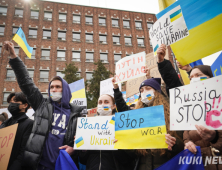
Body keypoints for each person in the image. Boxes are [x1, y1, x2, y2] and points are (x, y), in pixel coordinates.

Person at [3, 41, 84, 170]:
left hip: (62, 166)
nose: (54, 89)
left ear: (66, 90)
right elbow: (26, 83)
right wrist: (14, 57)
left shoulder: (78, 114)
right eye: (51, 87)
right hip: (38, 165)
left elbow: (83, 141)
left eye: (58, 87)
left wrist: (75, 147)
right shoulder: (42, 105)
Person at [157, 44, 222, 170]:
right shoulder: (188, 105)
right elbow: (173, 84)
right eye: (191, 77)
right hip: (199, 164)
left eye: (198, 76)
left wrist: (215, 138)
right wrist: (187, 144)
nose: (194, 79)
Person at [112, 77, 184, 170]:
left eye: (148, 88)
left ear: (157, 92)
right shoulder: (138, 117)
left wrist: (175, 144)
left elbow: (183, 144)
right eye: (141, 90)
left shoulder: (171, 115)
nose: (144, 92)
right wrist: (124, 144)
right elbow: (136, 152)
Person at [79, 94, 137, 170]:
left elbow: (127, 160)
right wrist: (82, 146)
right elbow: (83, 160)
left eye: (106, 102)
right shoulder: (89, 126)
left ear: (114, 106)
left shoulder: (121, 125)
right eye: (100, 102)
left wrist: (119, 147)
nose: (102, 105)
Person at [0, 92, 33, 170]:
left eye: (15, 101)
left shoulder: (29, 124)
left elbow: (23, 152)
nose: (11, 104)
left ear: (25, 105)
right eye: (10, 102)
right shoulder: (5, 123)